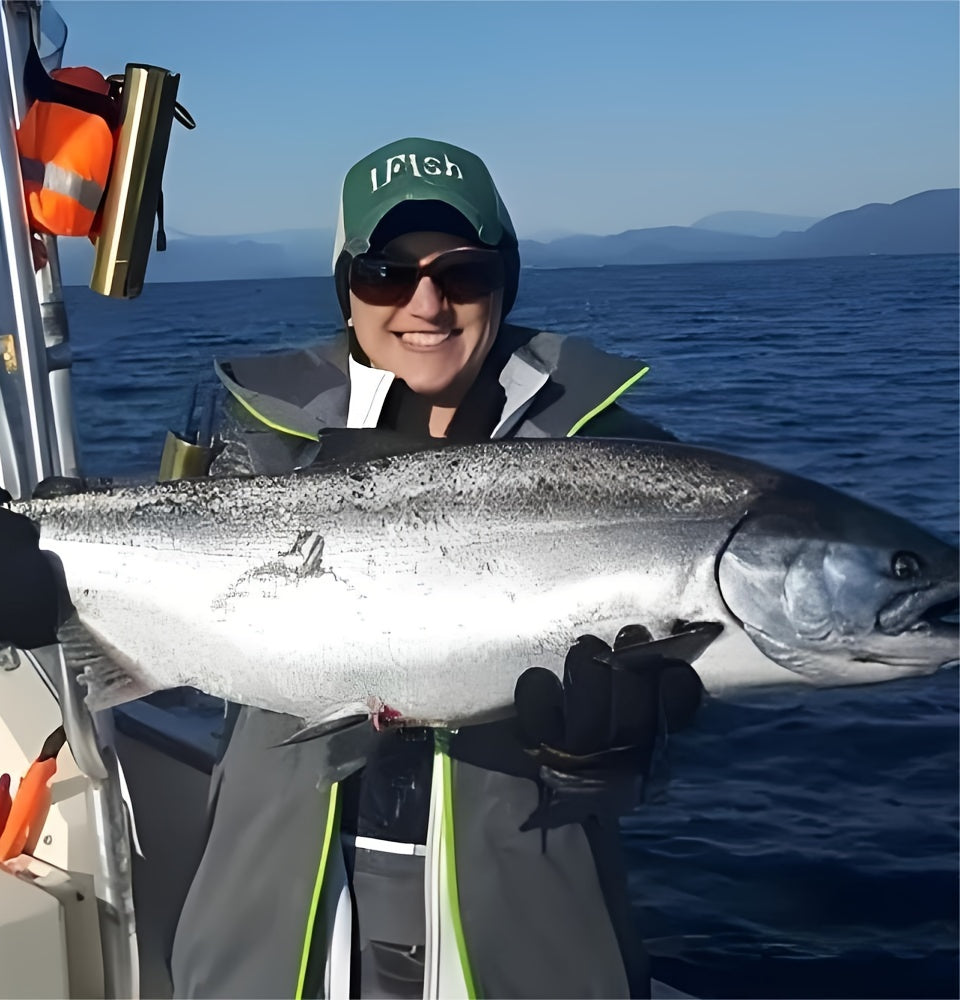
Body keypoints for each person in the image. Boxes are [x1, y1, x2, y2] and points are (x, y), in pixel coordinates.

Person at [166, 137, 698, 1000]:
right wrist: (29, 589)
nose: (426, 304)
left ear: (506, 282)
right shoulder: (251, 452)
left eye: (464, 274)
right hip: (276, 933)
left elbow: (668, 733)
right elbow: (159, 628)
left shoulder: (625, 468)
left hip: (520, 941)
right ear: (346, 290)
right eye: (384, 274)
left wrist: (617, 745)